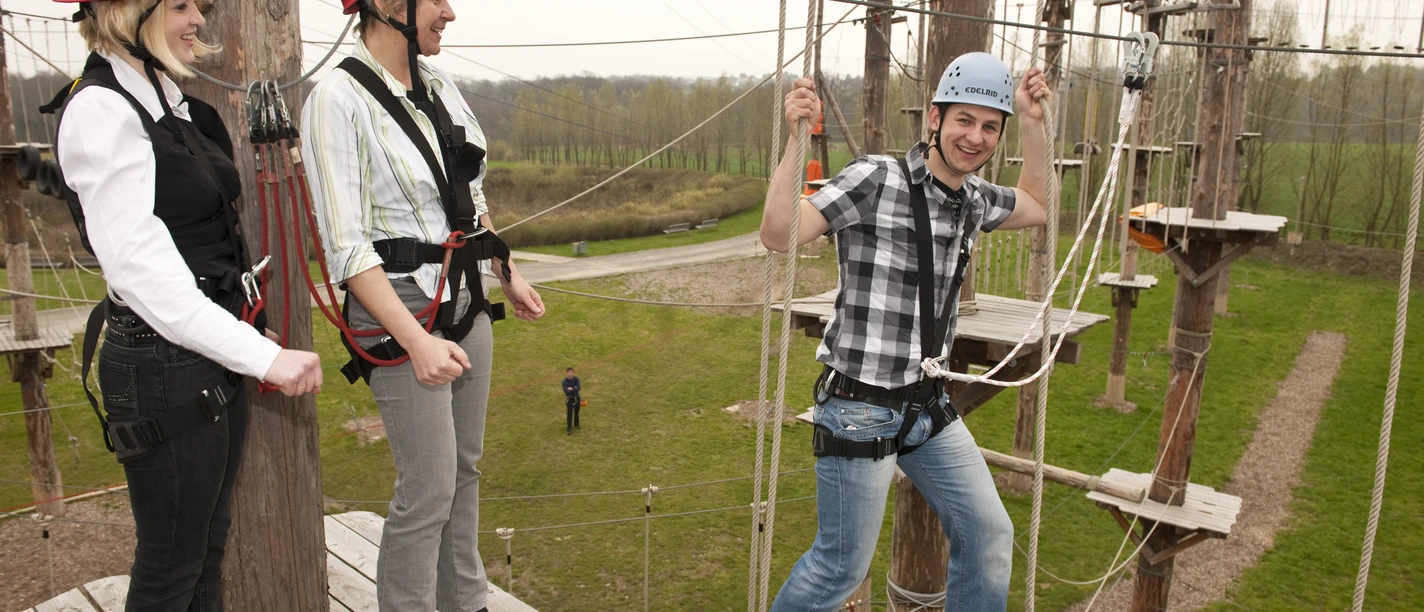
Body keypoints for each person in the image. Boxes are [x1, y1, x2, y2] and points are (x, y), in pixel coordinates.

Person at [46, 0, 323, 609]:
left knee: (206, 551)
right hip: (160, 362)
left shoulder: (168, 102)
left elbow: (211, 232)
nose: (198, 18)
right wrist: (258, 355)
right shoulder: (100, 111)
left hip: (203, 348)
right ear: (125, 12)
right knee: (171, 568)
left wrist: (251, 329)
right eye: (180, 5)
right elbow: (143, 271)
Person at [760, 53, 1055, 611]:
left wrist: (1034, 125)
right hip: (859, 404)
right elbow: (779, 233)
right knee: (839, 567)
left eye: (990, 126)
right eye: (964, 120)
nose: (975, 137)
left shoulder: (972, 200)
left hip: (925, 405)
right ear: (934, 120)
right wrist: (796, 137)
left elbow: (1039, 204)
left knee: (991, 535)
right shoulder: (876, 178)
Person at [303, 0, 544, 610]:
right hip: (400, 309)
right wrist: (414, 341)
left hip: (464, 298)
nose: (451, 13)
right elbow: (345, 245)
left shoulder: (437, 86)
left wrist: (504, 270)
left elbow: (469, 193)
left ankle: (467, 602)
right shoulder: (337, 98)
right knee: (429, 488)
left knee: (463, 474)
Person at [562, 367, 581, 434]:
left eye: (571, 372)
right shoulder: (564, 381)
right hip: (569, 399)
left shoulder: (576, 379)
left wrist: (571, 389)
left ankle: (576, 424)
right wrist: (573, 389)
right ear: (566, 373)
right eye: (569, 372)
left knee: (577, 412)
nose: (570, 373)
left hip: (576, 398)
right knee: (569, 414)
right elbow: (566, 391)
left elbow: (578, 387)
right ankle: (569, 429)